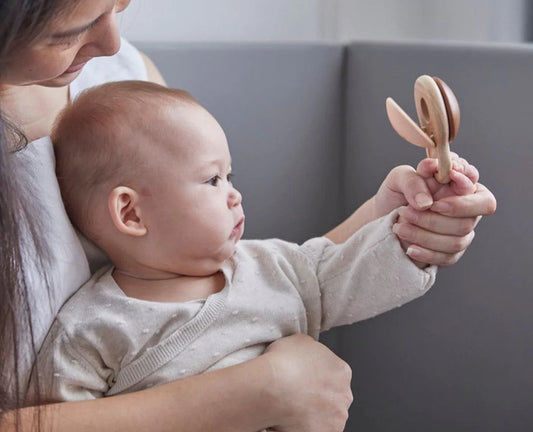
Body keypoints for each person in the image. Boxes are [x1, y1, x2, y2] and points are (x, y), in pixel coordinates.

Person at [0, 0, 495, 430]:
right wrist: (265, 392)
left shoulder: (262, 267)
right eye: (67, 32)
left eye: (121, 6)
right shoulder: (91, 327)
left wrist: (399, 223)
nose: (110, 43)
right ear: (128, 212)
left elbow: (323, 276)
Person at [29, 80, 482, 402]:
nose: (234, 194)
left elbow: (347, 274)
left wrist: (409, 222)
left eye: (231, 176)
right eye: (211, 179)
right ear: (131, 213)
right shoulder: (89, 329)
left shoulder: (272, 268)